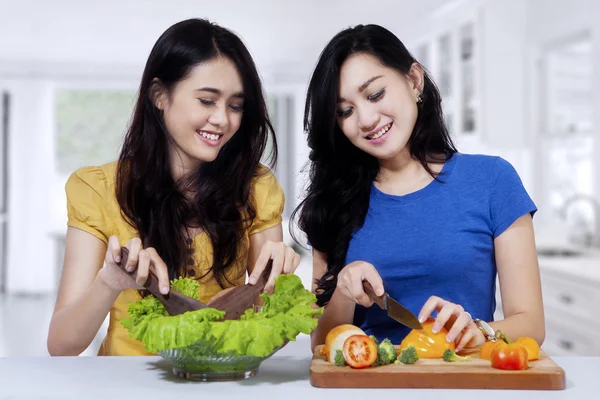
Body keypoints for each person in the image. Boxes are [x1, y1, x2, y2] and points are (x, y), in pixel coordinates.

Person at [47, 18, 300, 356]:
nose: (223, 119)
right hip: (127, 385)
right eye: (207, 101)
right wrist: (108, 283)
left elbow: (270, 332)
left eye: (236, 105)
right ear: (159, 95)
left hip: (221, 382)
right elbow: (62, 345)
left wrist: (275, 285)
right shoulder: (98, 190)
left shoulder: (255, 187)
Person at [292, 24, 544, 352]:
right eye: (345, 111)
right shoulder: (333, 202)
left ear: (414, 80)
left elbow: (531, 324)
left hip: (465, 380)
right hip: (371, 385)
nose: (366, 119)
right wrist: (343, 290)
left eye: (375, 94)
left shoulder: (492, 180)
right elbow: (322, 343)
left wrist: (479, 331)